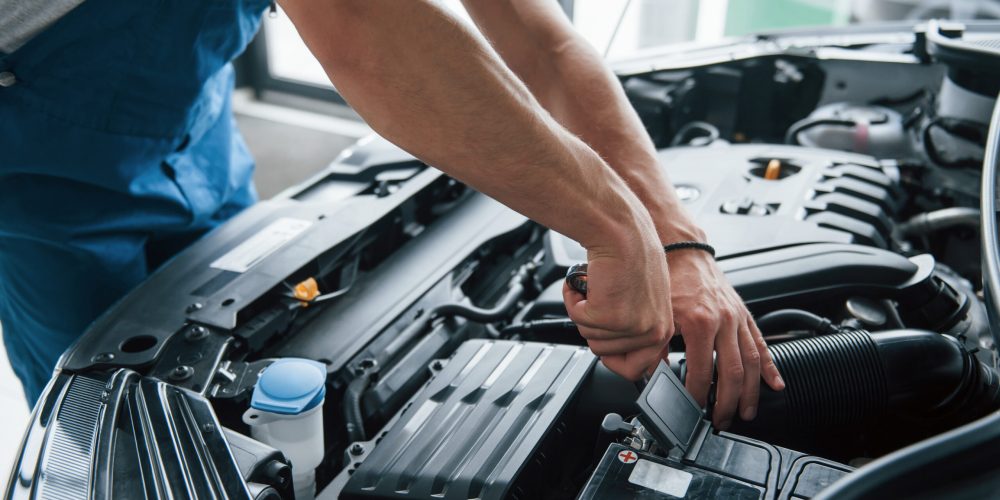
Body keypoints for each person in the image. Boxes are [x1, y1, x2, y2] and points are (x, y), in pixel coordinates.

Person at [0, 0, 782, 429]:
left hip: (184, 119)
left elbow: (539, 44)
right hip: (32, 154)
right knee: (116, 416)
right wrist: (617, 229)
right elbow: (366, 27)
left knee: (242, 339)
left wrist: (676, 238)